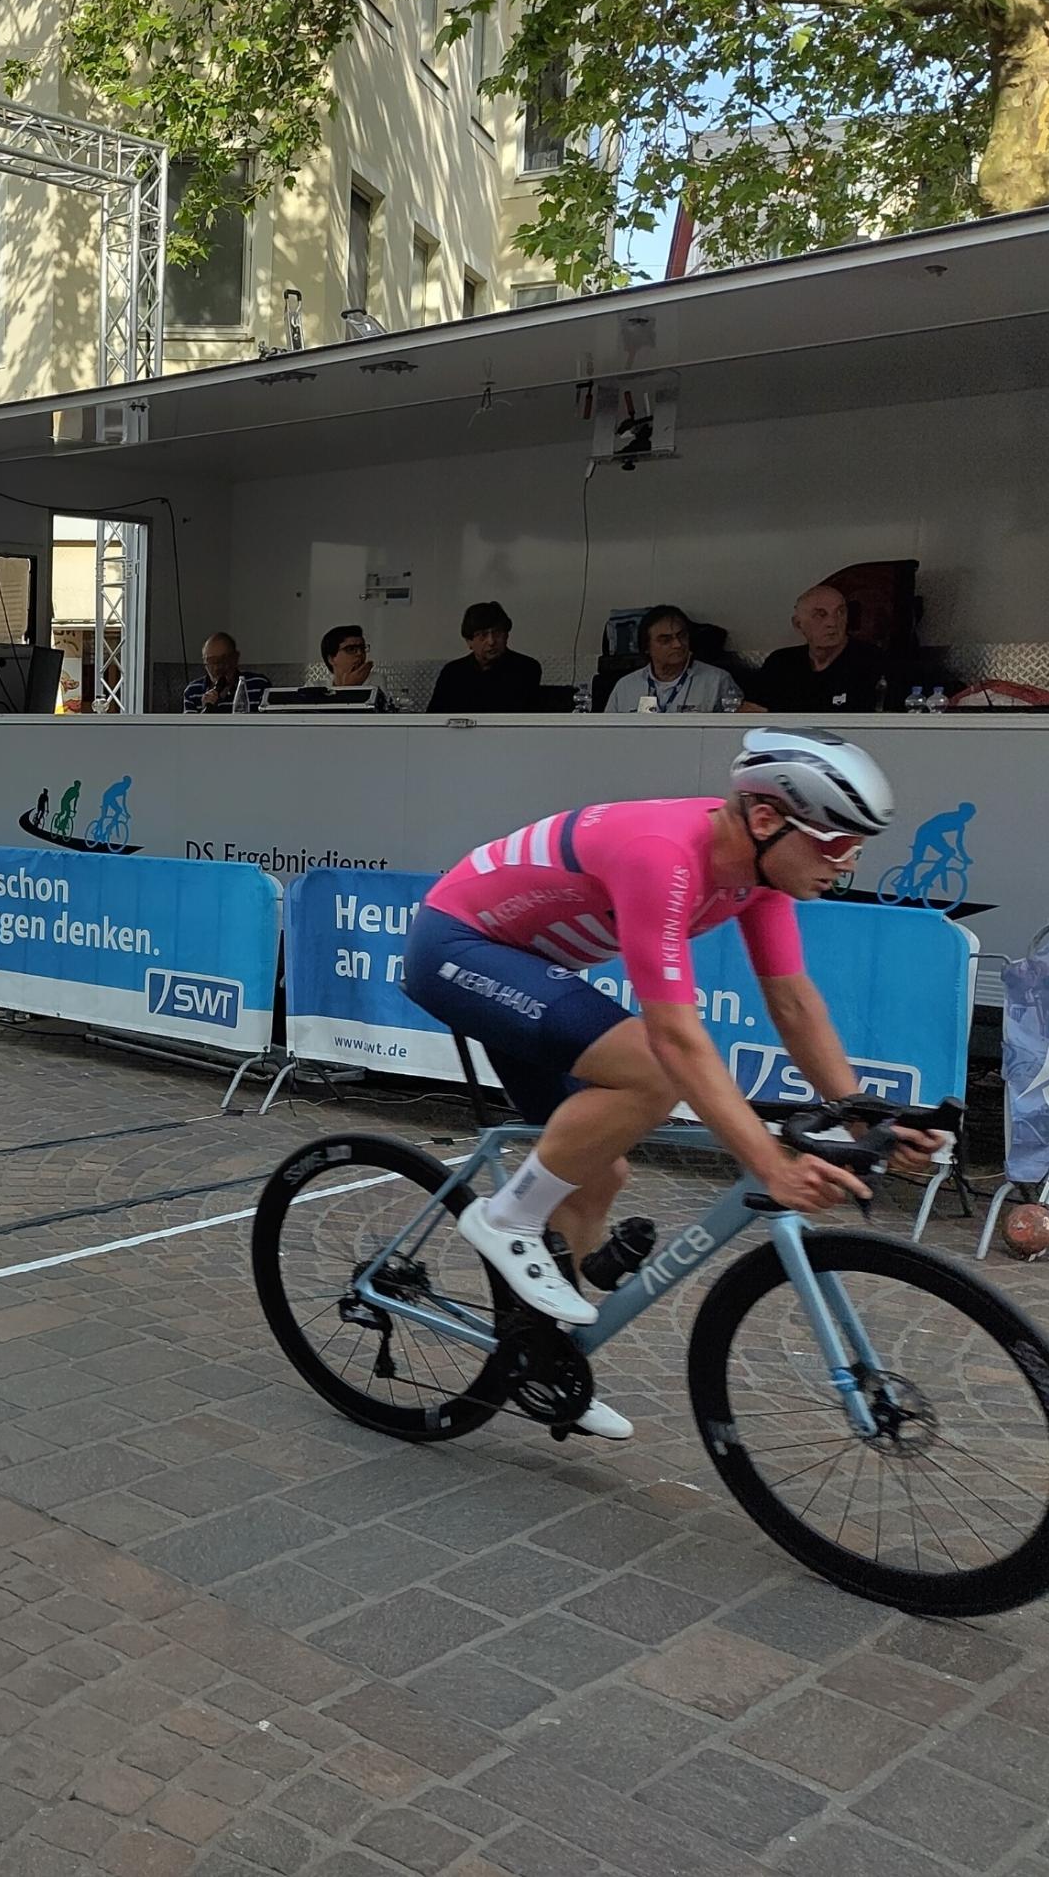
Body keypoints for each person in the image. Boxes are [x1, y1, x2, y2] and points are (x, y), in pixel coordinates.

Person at [403, 729, 941, 1440]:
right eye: (835, 844)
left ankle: (537, 1360)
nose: (845, 865)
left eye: (858, 848)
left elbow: (793, 1002)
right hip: (459, 947)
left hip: (530, 970)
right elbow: (678, 1040)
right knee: (655, 1072)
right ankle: (503, 1220)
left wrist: (861, 1118)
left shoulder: (757, 876)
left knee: (598, 1171)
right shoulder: (664, 856)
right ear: (764, 819)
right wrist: (768, 1162)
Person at [742, 584, 888, 713]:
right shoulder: (781, 663)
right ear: (798, 624)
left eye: (840, 612)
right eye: (820, 615)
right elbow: (750, 716)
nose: (832, 622)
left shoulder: (872, 661)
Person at [602, 604, 744, 713]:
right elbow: (606, 735)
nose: (677, 644)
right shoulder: (626, 687)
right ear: (647, 647)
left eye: (681, 636)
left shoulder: (718, 681)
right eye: (665, 640)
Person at [428, 603, 543, 713]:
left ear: (506, 636)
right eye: (483, 635)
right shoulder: (452, 673)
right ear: (469, 642)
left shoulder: (526, 668)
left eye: (497, 633)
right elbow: (433, 719)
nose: (491, 641)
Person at [183, 633, 268, 714]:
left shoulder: (259, 685)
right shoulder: (192, 692)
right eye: (212, 661)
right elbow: (189, 729)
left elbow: (270, 724)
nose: (218, 667)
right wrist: (206, 711)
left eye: (223, 660)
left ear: (235, 658)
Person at [317, 625, 398, 709]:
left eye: (362, 648)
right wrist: (348, 687)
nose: (360, 654)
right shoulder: (316, 688)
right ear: (331, 659)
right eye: (351, 649)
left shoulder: (375, 681)